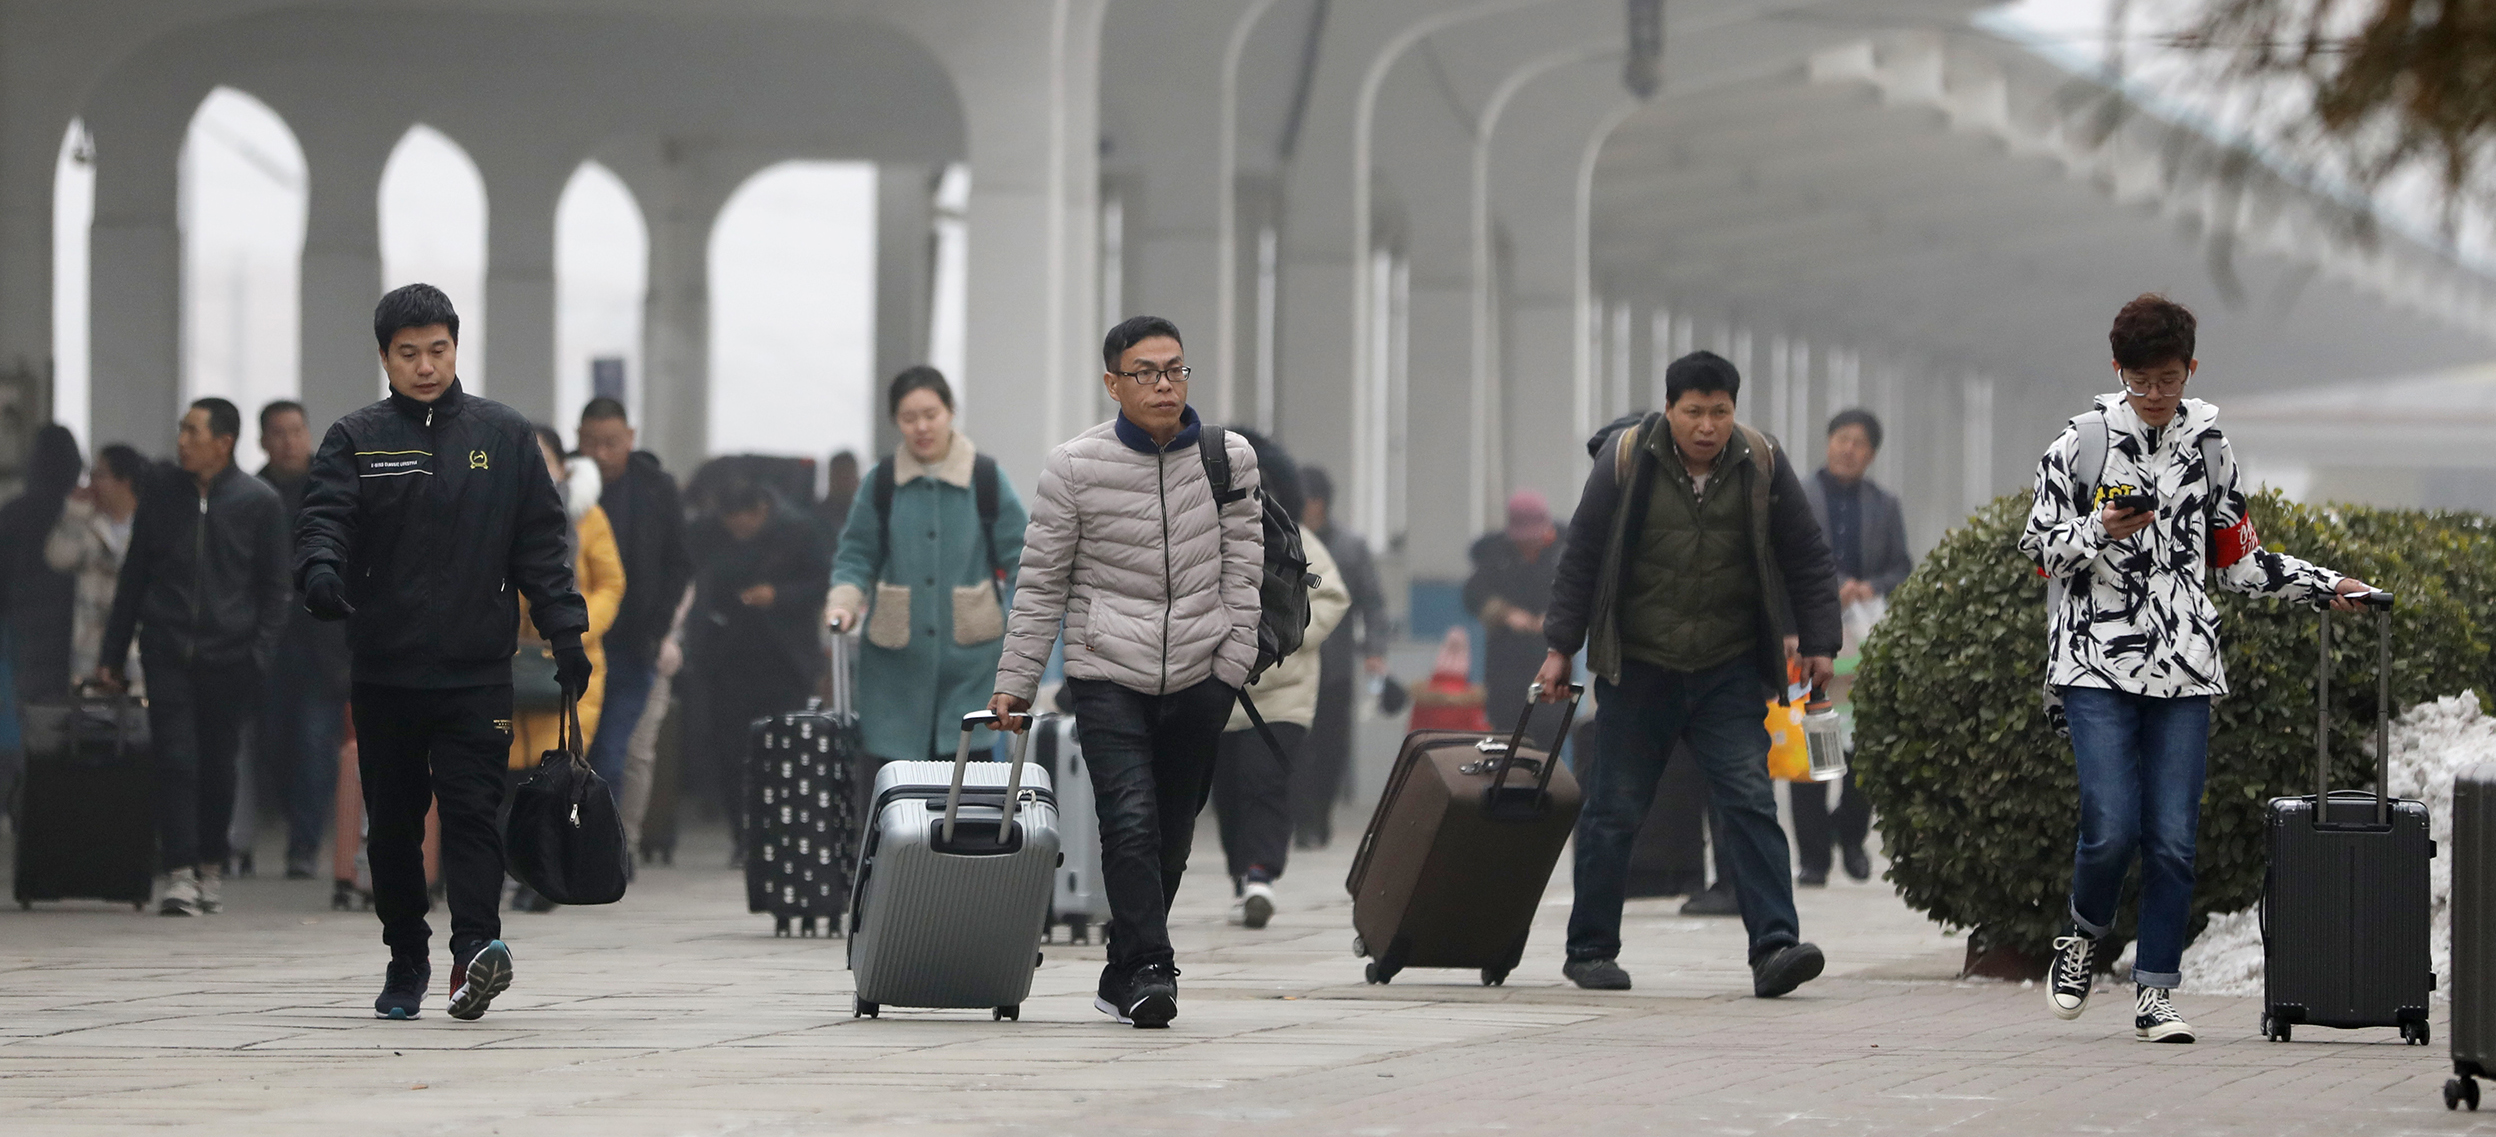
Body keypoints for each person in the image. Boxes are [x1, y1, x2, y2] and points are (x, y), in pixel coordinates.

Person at [2022, 293, 2373, 1045]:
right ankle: (2082, 936)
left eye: (2169, 379)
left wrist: (2325, 584)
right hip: (2093, 661)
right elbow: (2039, 549)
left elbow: (2239, 561)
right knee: (2110, 826)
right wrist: (2099, 528)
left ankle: (2156, 992)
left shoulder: (2211, 449)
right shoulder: (2080, 444)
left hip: (2184, 665)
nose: (2155, 394)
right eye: (2140, 380)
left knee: (2174, 839)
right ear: (2117, 371)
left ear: (2191, 369)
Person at [296, 283, 591, 1021]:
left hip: (476, 671)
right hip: (386, 670)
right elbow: (324, 518)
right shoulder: (356, 438)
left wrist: (566, 634)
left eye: (437, 350)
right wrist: (321, 573)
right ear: (384, 358)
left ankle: (474, 953)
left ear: (456, 348)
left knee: (471, 813)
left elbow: (541, 546)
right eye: (408, 354)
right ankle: (406, 959)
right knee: (394, 826)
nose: (425, 366)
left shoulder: (505, 436)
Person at [988, 315, 1263, 1030]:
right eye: (1146, 372)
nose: (1164, 384)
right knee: (1130, 820)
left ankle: (1122, 967)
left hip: (1202, 671)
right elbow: (1042, 581)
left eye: (1175, 369)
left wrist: (1229, 666)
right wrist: (1016, 679)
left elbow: (1245, 570)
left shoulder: (1228, 458)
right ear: (1113, 384)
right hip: (1107, 670)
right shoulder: (1074, 467)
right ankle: (1151, 967)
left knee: (1172, 834)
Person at [1537, 349, 1839, 999]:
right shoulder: (1624, 461)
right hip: (1639, 667)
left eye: (1720, 412)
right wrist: (1560, 647)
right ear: (1669, 408)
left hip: (1728, 668)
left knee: (1750, 801)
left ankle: (1775, 947)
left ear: (1735, 411)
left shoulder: (1761, 461)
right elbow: (1581, 555)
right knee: (1614, 808)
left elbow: (1807, 555)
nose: (1707, 426)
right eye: (1694, 412)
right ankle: (1590, 949)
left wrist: (1821, 642)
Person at [95, 398, 291, 917]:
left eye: (192, 432)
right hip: (166, 650)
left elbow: (276, 590)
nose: (181, 441)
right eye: (182, 430)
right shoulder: (162, 498)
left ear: (223, 443)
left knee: (218, 765)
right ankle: (180, 872)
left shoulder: (259, 503)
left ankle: (210, 866)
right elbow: (135, 578)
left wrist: (259, 655)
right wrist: (111, 654)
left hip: (231, 657)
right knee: (175, 758)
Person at [827, 367, 1027, 766]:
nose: (921, 427)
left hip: (972, 669)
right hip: (893, 673)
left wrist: (1018, 625)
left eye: (931, 414)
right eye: (908, 417)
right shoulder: (881, 481)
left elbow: (1025, 560)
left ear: (950, 411)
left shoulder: (986, 477)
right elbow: (856, 554)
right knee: (895, 792)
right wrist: (843, 603)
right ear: (895, 421)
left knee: (968, 791)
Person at [1206, 430, 1348, 929]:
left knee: (1265, 781)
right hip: (1222, 693)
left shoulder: (1295, 540)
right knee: (1227, 791)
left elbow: (1329, 595)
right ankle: (1242, 878)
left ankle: (1261, 873)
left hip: (1284, 696)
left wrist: (1290, 637)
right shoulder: (1203, 536)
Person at [1792, 408, 1912, 886]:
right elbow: (1783, 561)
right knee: (1813, 744)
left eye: (1859, 443)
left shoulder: (1885, 504)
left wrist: (1869, 587)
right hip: (1809, 640)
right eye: (1842, 438)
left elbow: (1902, 568)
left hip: (1864, 643)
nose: (1848, 449)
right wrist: (1830, 588)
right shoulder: (1799, 497)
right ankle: (1813, 858)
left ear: (1872, 453)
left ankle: (1851, 833)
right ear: (1828, 442)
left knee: (1863, 746)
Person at [683, 477, 830, 846]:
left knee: (784, 751)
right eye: (731, 525)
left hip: (784, 661)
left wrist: (778, 596)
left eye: (744, 523)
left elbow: (821, 583)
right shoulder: (709, 534)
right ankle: (743, 836)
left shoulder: (799, 530)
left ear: (762, 510)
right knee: (732, 751)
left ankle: (781, 834)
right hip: (727, 659)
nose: (738, 532)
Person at [247, 400, 354, 880]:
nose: (289, 441)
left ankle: (304, 844)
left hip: (324, 643)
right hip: (269, 643)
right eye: (279, 432)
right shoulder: (251, 494)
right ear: (263, 441)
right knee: (275, 745)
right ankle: (285, 824)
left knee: (315, 744)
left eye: (296, 431)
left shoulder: (333, 487)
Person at [575, 396, 690, 794]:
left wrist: (659, 628)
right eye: (591, 442)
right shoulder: (564, 484)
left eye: (611, 442)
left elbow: (679, 564)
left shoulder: (656, 488)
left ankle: (611, 833)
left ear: (630, 437)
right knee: (571, 752)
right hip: (576, 643)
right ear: (578, 438)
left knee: (614, 754)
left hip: (632, 645)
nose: (601, 454)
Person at [1291, 466, 1387, 849]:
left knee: (1332, 748)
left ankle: (1320, 813)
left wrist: (1375, 651)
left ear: (1321, 503)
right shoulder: (1286, 539)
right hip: (1293, 665)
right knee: (1296, 745)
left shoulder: (1350, 548)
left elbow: (1372, 603)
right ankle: (1303, 822)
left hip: (1335, 668)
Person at [1465, 490, 1566, 750]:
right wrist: (1505, 613)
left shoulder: (1564, 552)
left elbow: (1585, 591)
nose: (1530, 544)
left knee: (1548, 742)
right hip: (1506, 669)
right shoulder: (1495, 554)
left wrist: (1557, 616)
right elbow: (1473, 594)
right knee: (1507, 740)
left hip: (1551, 665)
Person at [44, 442, 145, 692]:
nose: (93, 483)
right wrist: (74, 512)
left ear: (124, 481)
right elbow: (58, 557)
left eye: (100, 475)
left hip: (138, 655)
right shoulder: (89, 523)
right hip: (91, 657)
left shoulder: (148, 526)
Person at [817, 450, 861, 562]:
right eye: (840, 475)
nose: (844, 481)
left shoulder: (867, 515)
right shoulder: (817, 518)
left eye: (847, 475)